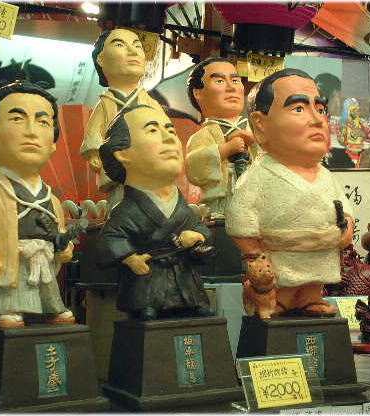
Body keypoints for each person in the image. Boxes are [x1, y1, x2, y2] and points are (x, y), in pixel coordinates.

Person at [225, 68, 354, 317]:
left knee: (313, 281)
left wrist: (347, 223)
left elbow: (343, 206)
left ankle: (310, 298)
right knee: (282, 283)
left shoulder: (325, 175)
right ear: (260, 124)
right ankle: (280, 301)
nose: (317, 120)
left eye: (320, 109)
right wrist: (253, 253)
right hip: (278, 256)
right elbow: (241, 217)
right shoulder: (258, 176)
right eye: (298, 109)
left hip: (322, 251)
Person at [0, 81, 75, 328]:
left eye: (43, 122)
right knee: (12, 289)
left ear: (53, 143)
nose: (31, 131)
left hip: (42, 261)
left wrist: (64, 245)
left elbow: (59, 229)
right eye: (18, 119)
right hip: (8, 263)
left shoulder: (50, 197)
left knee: (47, 290)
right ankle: (9, 308)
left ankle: (48, 309)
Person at [96, 105, 212, 321]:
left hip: (184, 278)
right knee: (147, 304)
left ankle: (191, 304)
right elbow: (109, 240)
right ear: (122, 153)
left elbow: (202, 230)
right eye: (152, 130)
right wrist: (130, 258)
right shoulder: (127, 211)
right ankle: (147, 305)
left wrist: (197, 236)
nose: (169, 139)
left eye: (171, 131)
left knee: (200, 310)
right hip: (147, 278)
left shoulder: (182, 207)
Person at [79, 28, 165, 211]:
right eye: (119, 45)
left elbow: (167, 135)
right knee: (121, 209)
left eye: (137, 46)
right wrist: (94, 153)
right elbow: (94, 132)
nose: (133, 51)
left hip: (149, 170)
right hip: (118, 170)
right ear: (101, 59)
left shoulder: (152, 104)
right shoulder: (105, 104)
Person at [185, 57, 255, 218]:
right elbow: (194, 165)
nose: (231, 88)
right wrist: (225, 149)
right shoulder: (203, 136)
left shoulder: (255, 131)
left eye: (235, 80)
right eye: (220, 81)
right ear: (197, 93)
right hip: (222, 203)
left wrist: (254, 142)